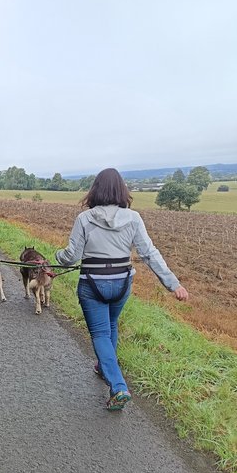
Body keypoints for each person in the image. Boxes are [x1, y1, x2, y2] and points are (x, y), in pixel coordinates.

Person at [55, 168, 188, 411]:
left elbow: (71, 256)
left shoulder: (85, 218)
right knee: (111, 325)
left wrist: (57, 257)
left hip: (92, 282)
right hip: (122, 282)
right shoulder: (134, 218)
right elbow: (149, 253)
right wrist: (173, 283)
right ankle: (104, 366)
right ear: (121, 190)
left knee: (100, 333)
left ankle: (118, 386)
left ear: (95, 190)